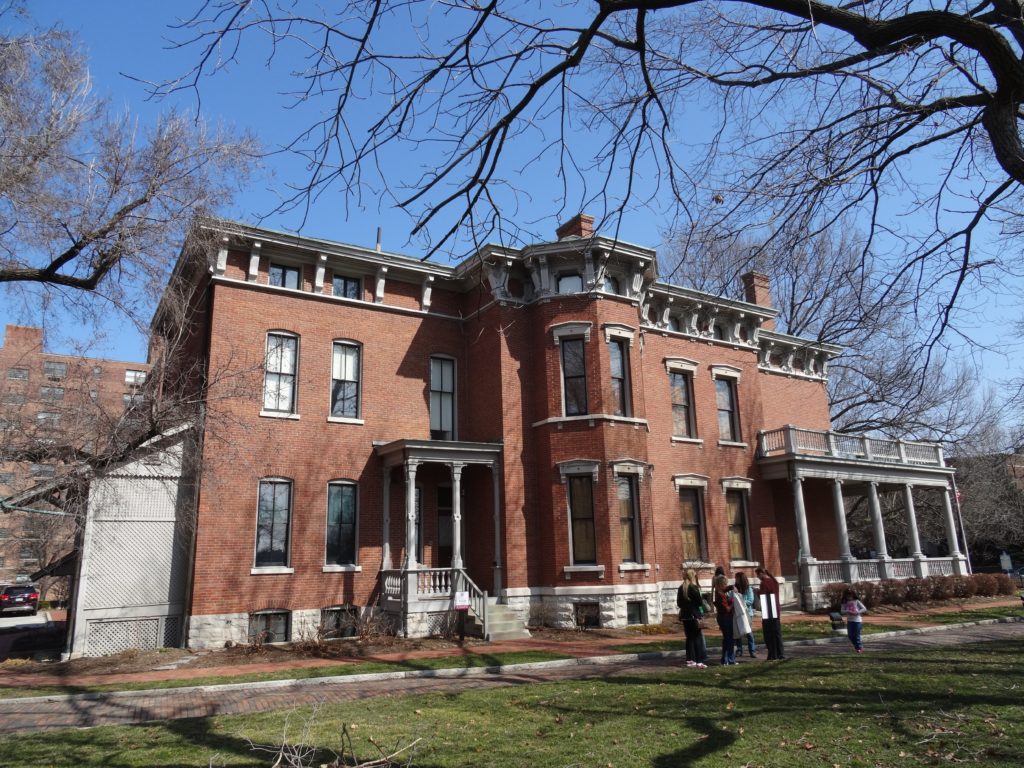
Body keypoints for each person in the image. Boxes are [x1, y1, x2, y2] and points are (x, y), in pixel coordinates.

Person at [676, 569, 708, 668]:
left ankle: (690, 659)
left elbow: (679, 603)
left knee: (689, 638)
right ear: (692, 576)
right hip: (694, 615)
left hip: (685, 616)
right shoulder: (693, 588)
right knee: (697, 637)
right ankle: (699, 661)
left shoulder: (681, 588)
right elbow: (699, 602)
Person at [756, 566, 785, 660]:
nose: (757, 577)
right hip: (776, 609)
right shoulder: (774, 581)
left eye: (757, 575)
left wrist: (757, 592)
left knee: (769, 634)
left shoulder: (764, 583)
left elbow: (762, 596)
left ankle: (772, 654)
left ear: (761, 573)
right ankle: (780, 653)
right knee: (777, 633)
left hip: (768, 610)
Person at [713, 575, 736, 665]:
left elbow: (725, 590)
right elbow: (727, 609)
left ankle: (725, 659)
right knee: (729, 639)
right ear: (722, 584)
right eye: (725, 584)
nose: (726, 585)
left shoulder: (718, 592)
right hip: (725, 618)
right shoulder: (721, 595)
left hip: (721, 617)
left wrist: (731, 587)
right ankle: (730, 659)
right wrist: (733, 602)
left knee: (726, 639)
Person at [733, 572, 756, 657]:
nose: (736, 580)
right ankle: (739, 650)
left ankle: (752, 650)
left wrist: (741, 602)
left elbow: (750, 600)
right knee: (738, 631)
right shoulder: (735, 588)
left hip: (747, 613)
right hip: (738, 613)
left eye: (737, 578)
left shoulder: (748, 588)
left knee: (748, 632)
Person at [840, 588, 868, 653]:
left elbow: (864, 608)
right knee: (850, 635)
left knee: (856, 635)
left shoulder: (856, 601)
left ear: (853, 595)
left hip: (857, 620)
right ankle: (858, 647)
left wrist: (857, 612)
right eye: (848, 595)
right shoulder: (844, 602)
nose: (849, 597)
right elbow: (842, 611)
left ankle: (859, 648)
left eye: (850, 595)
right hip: (850, 620)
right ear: (845, 595)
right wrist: (848, 611)